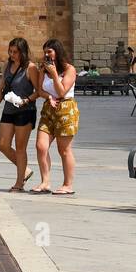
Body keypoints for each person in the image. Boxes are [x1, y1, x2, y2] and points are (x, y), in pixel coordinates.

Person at [32, 38, 78, 195]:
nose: (46, 54)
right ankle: (45, 182)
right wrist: (48, 97)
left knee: (64, 149)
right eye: (45, 52)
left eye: (49, 51)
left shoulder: (69, 70)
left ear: (57, 52)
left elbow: (62, 92)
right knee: (41, 146)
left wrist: (53, 74)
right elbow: (39, 90)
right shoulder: (43, 70)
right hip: (48, 109)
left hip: (66, 108)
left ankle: (67, 184)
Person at [0, 37, 38, 192]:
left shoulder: (30, 68)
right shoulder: (7, 66)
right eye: (10, 51)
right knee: (3, 145)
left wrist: (26, 100)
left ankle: (19, 183)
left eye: (15, 52)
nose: (12, 55)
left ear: (22, 52)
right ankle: (25, 170)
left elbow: (38, 91)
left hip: (25, 111)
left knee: (20, 148)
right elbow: (2, 87)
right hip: (8, 109)